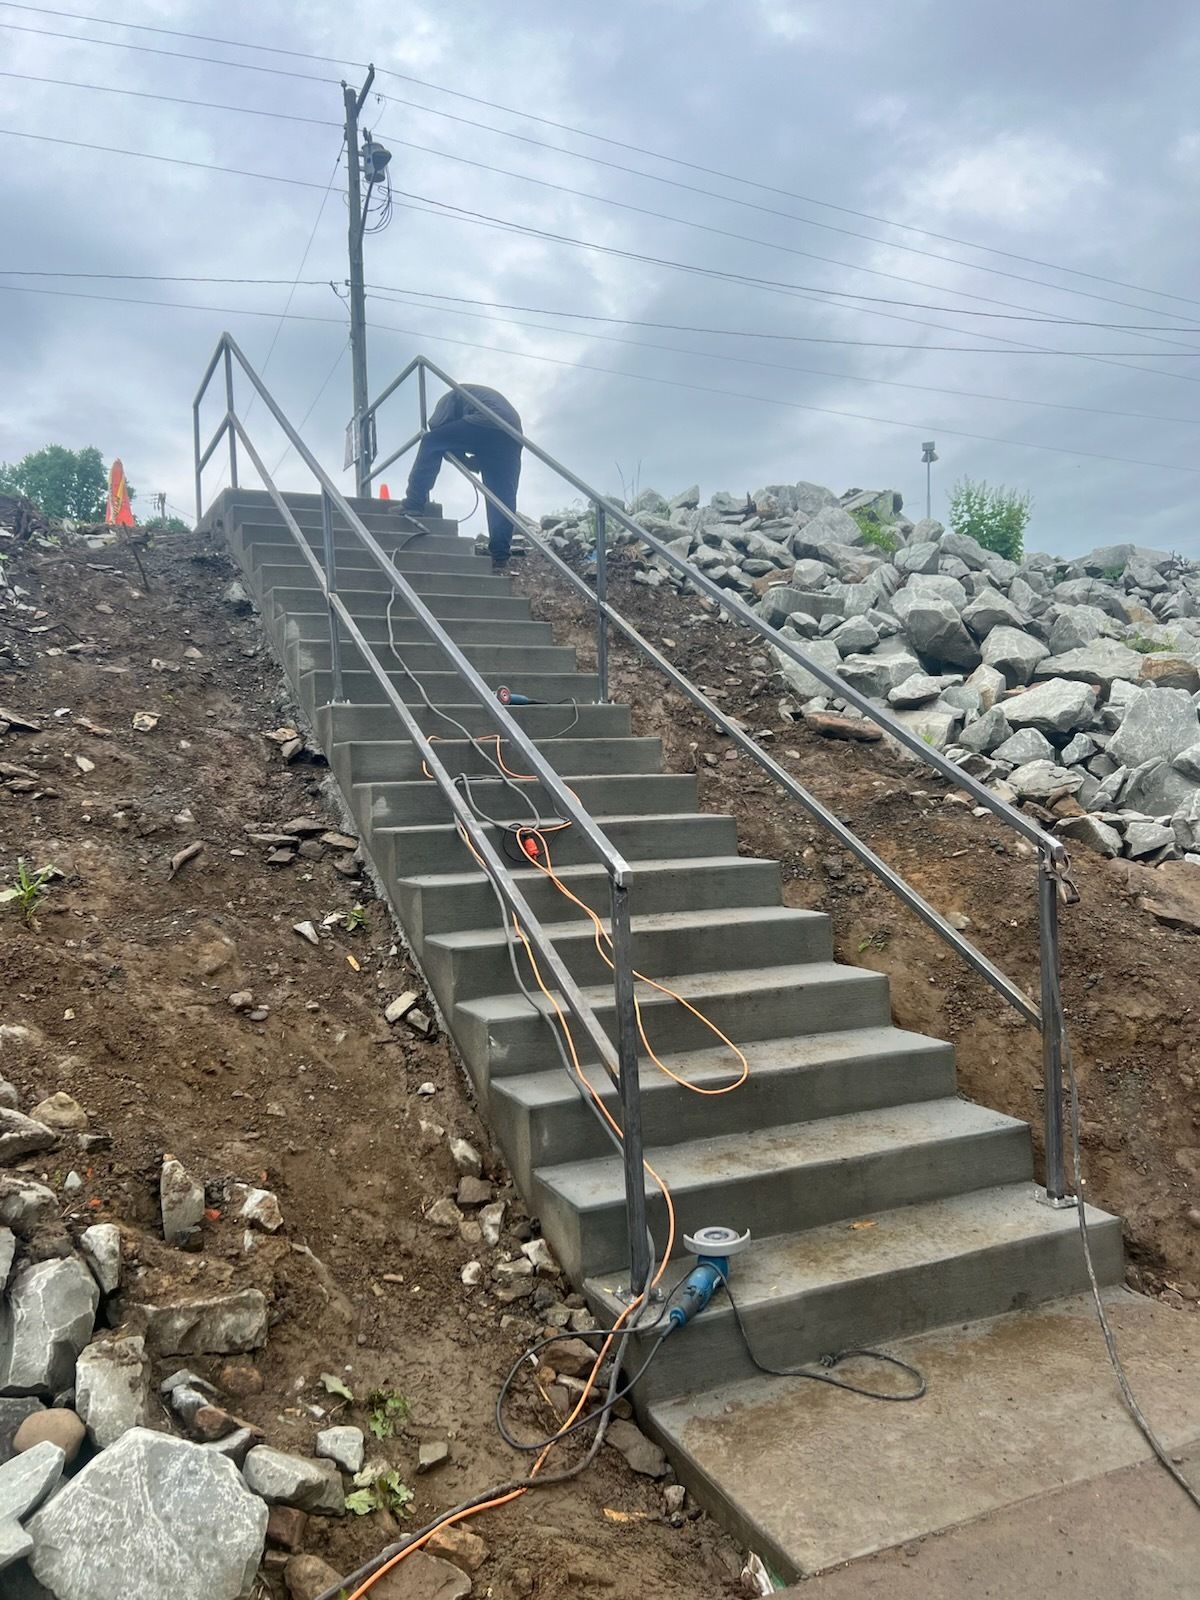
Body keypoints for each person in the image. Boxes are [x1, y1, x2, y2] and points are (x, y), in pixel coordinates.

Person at [401, 384, 523, 571]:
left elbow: (440, 432)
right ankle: (500, 558)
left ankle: (414, 503)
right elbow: (460, 435)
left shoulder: (445, 403)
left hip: (486, 419)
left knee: (431, 441)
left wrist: (461, 459)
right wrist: (471, 461)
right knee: (501, 496)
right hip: (511, 434)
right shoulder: (473, 396)